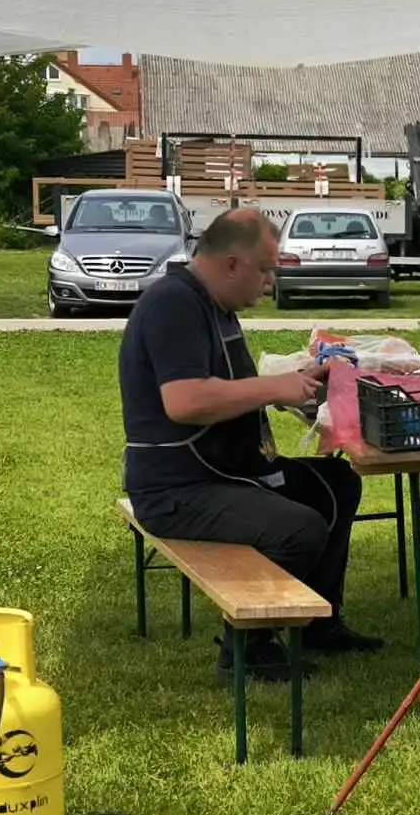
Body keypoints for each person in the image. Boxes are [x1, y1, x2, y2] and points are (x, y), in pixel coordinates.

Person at [118, 208, 384, 684]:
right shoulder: (173, 305)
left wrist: (296, 385)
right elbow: (184, 401)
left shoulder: (213, 307)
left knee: (338, 483)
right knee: (298, 529)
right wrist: (273, 388)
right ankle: (245, 650)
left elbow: (228, 390)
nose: (269, 281)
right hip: (177, 488)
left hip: (227, 468)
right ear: (232, 264)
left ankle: (319, 623)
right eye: (264, 270)